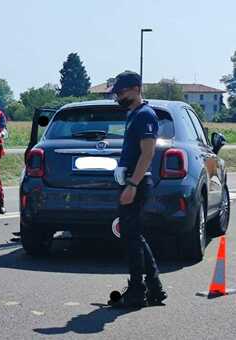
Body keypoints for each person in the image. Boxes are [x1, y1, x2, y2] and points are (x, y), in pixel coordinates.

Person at [111, 71, 167, 308]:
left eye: (122, 92)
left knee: (131, 238)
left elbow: (148, 153)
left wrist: (132, 184)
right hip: (132, 180)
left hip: (138, 182)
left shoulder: (145, 115)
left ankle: (137, 291)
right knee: (133, 235)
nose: (118, 96)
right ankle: (154, 288)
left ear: (135, 88)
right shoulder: (133, 114)